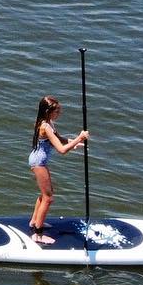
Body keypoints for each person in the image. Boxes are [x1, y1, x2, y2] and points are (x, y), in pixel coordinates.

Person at [27, 96, 88, 244]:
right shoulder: (45, 127)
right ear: (48, 111)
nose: (59, 113)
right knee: (48, 198)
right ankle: (38, 235)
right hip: (38, 162)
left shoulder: (49, 123)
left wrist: (74, 143)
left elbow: (59, 140)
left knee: (44, 195)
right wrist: (79, 138)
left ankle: (34, 222)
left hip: (38, 160)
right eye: (57, 110)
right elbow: (61, 150)